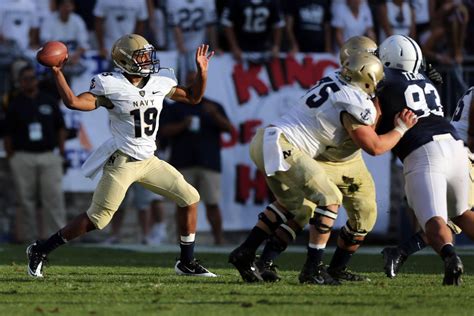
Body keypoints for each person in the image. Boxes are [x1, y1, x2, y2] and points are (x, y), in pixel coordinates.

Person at [26, 34, 216, 278]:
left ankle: (186, 262)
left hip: (149, 160)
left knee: (189, 197)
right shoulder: (110, 85)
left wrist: (202, 72)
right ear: (126, 61)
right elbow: (73, 102)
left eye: (149, 54)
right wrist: (57, 73)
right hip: (123, 161)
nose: (149, 59)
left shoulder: (160, 81)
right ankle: (40, 250)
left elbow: (193, 97)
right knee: (98, 218)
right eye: (142, 56)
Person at [229, 50, 418, 284]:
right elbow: (375, 147)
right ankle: (312, 269)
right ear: (368, 78)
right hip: (284, 144)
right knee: (329, 197)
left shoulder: (333, 78)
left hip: (265, 138)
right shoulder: (355, 100)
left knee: (292, 206)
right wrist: (401, 128)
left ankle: (245, 252)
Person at [376, 34, 474, 285]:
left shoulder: (383, 82)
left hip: (425, 151)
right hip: (454, 146)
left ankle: (451, 258)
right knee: (461, 213)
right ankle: (404, 253)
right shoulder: (426, 80)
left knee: (434, 220)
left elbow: (373, 121)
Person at [159, 71, 233, 245]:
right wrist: (183, 125)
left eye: (196, 81)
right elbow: (164, 131)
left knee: (212, 203)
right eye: (190, 82)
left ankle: (218, 239)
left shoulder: (213, 106)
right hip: (183, 162)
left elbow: (230, 129)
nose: (193, 84)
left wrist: (215, 115)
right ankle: (182, 241)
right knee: (183, 204)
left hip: (209, 162)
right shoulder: (175, 107)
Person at [4, 64, 67, 243]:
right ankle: (28, 239)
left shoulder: (48, 100)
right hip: (23, 155)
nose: (28, 82)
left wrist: (61, 151)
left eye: (31, 78)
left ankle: (56, 239)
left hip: (48, 154)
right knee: (25, 200)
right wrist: (12, 156)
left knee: (53, 197)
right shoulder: (14, 104)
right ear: (20, 82)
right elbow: (7, 132)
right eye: (24, 79)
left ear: (36, 81)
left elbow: (61, 128)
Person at [166, 0, 221, 83]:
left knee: (198, 79)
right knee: (176, 79)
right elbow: (175, 26)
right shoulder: (173, 2)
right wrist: (181, 46)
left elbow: (210, 25)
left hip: (198, 44)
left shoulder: (208, 2)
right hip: (176, 46)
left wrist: (214, 47)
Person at [221, 0, 286, 62]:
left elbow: (278, 24)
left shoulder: (272, 2)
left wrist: (276, 45)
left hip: (264, 47)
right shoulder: (236, 1)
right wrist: (234, 47)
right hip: (242, 47)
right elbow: (227, 23)